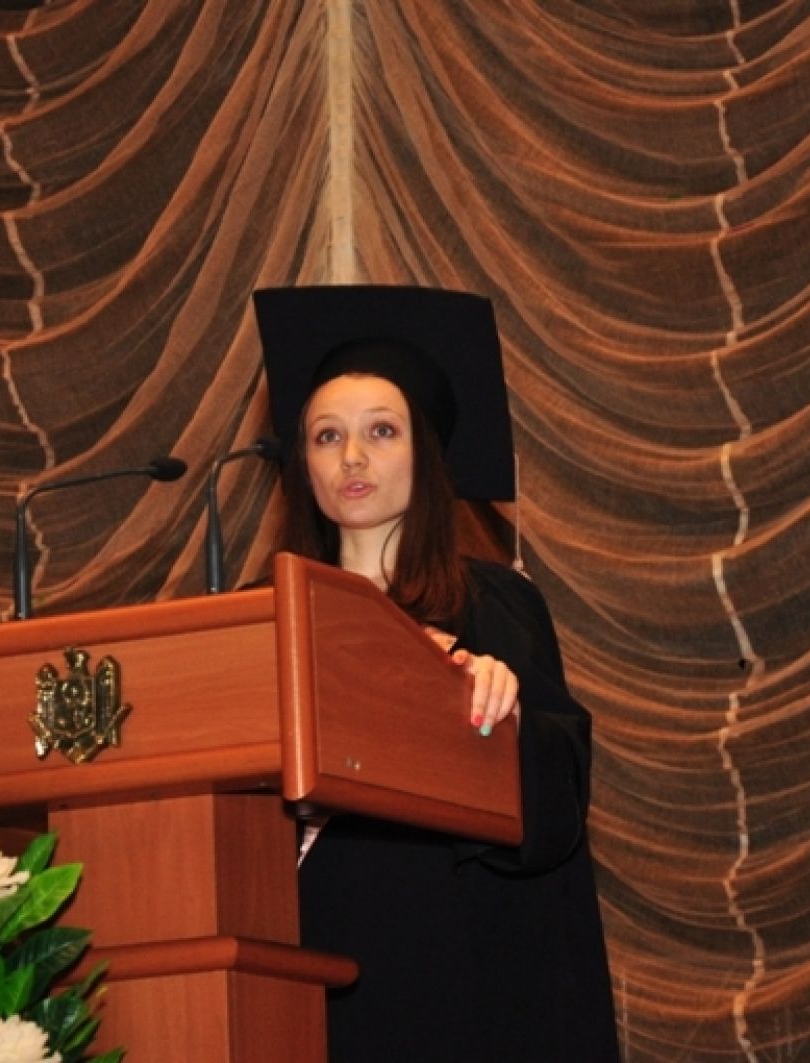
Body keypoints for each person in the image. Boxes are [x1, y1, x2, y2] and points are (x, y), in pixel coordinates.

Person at [253, 285, 620, 1062]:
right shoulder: (261, 617)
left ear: (425, 451)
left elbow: (557, 793)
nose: (352, 458)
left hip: (444, 965)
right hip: (294, 956)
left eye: (381, 431)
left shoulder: (489, 603)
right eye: (327, 436)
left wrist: (490, 711)